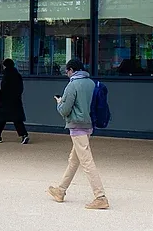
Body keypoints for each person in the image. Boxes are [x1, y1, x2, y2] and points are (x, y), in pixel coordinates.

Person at [46, 59, 109, 210]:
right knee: (74, 160)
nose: (66, 74)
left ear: (71, 70)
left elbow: (64, 110)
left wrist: (59, 102)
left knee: (86, 161)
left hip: (77, 126)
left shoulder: (72, 85)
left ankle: (100, 196)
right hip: (88, 125)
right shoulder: (91, 83)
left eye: (67, 71)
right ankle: (60, 190)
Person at [0, 58, 29, 144]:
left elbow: (4, 88)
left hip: (5, 101)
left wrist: (0, 97)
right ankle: (24, 135)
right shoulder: (17, 75)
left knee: (1, 119)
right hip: (15, 101)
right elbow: (20, 88)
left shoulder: (6, 75)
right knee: (17, 119)